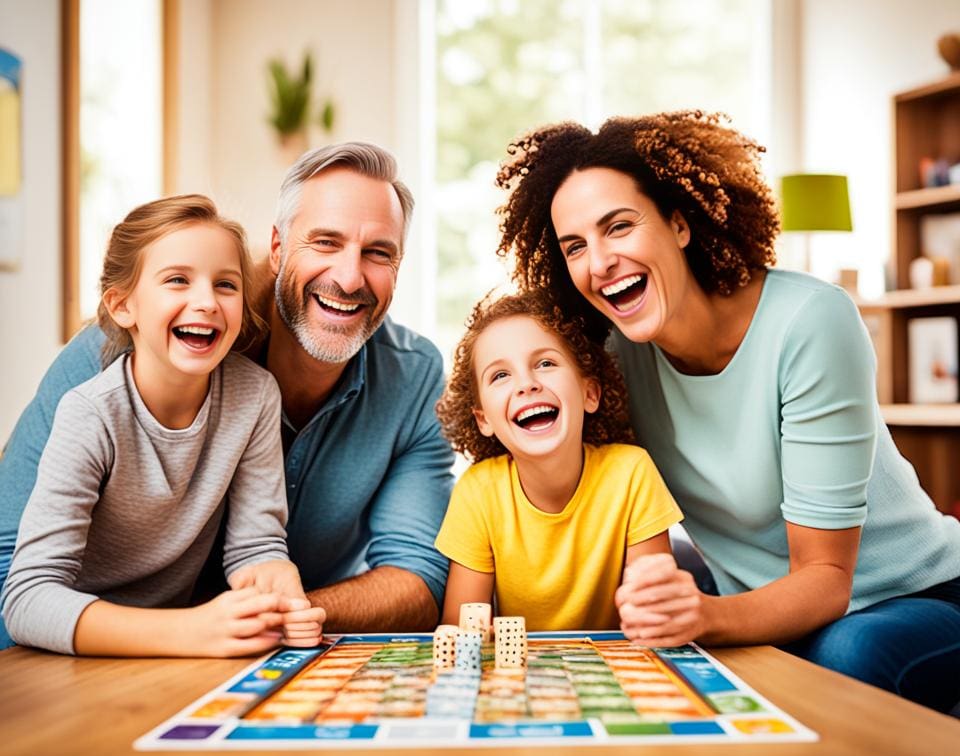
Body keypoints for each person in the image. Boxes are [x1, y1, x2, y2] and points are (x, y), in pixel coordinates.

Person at [494, 110, 960, 712]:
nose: (599, 262)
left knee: (848, 655)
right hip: (757, 597)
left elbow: (824, 581)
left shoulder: (810, 322)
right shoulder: (612, 359)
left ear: (679, 223)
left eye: (619, 227)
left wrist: (705, 616)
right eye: (575, 246)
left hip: (912, 595)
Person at [0, 142, 454, 650]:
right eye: (325, 242)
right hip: (78, 658)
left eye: (378, 253)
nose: (349, 278)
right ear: (278, 248)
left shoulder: (266, 393)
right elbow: (13, 579)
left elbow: (414, 574)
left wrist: (279, 615)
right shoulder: (108, 366)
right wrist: (195, 630)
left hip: (243, 652)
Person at [1, 194, 324, 656]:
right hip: (72, 654)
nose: (206, 302)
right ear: (122, 306)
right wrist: (190, 631)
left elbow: (256, 547)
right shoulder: (90, 414)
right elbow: (27, 599)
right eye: (177, 280)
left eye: (226, 285)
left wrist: (279, 598)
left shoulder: (254, 396)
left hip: (173, 655)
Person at [434, 289, 695, 633]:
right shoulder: (477, 491)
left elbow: (655, 615)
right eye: (500, 375)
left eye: (545, 363)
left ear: (589, 393)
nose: (527, 384)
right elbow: (460, 629)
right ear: (483, 419)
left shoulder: (631, 472)